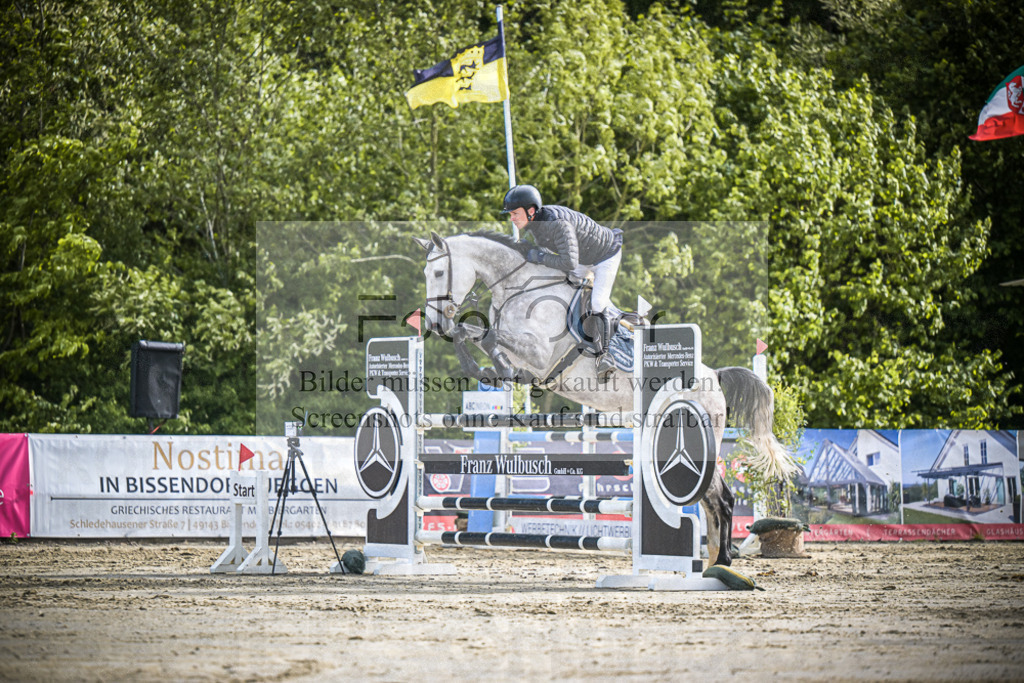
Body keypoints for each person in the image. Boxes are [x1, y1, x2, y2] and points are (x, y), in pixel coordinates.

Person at [501, 184, 623, 379]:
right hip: (582, 258)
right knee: (560, 287)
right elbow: (552, 255)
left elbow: (568, 261)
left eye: (515, 213)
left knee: (598, 302)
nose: (512, 218)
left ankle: (604, 355)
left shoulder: (556, 223)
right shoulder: (534, 224)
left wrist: (539, 256)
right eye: (511, 214)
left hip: (605, 255)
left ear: (531, 211)